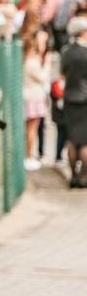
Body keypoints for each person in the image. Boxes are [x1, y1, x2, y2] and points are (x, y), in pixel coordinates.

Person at [59, 16, 87, 188]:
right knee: (85, 142)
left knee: (72, 140)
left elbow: (62, 73)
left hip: (69, 98)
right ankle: (84, 176)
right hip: (85, 100)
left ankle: (73, 177)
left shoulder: (66, 52)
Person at [23, 29, 53, 171]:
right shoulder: (32, 62)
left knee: (31, 129)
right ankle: (28, 156)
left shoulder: (26, 60)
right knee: (31, 130)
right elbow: (43, 77)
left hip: (31, 97)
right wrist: (47, 63)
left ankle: (28, 155)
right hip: (33, 98)